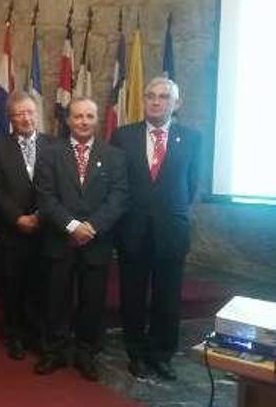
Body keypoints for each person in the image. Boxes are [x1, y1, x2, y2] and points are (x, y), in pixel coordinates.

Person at [111, 77, 201, 381]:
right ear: (143, 100)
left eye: (164, 97)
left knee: (168, 297)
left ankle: (162, 354)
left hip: (171, 231)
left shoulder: (191, 138)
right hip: (132, 230)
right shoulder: (123, 136)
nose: (156, 101)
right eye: (150, 96)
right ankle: (135, 352)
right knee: (132, 296)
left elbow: (191, 186)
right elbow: (116, 183)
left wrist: (170, 212)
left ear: (176, 103)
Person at [34, 97, 128, 381]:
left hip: (96, 242)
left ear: (97, 120)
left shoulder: (114, 156)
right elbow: (45, 197)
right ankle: (55, 351)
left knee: (92, 301)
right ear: (68, 120)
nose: (84, 121)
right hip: (60, 241)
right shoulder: (50, 153)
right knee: (56, 300)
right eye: (78, 116)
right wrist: (73, 225)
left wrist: (92, 226)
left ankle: (87, 352)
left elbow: (119, 197)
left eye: (89, 116)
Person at [0, 91, 54, 360]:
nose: (25, 118)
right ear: (10, 118)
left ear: (37, 114)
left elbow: (58, 186)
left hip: (45, 228)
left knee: (40, 285)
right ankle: (14, 335)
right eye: (19, 114)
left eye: (29, 112)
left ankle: (36, 335)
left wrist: (40, 215)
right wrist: (17, 217)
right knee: (13, 285)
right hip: (11, 229)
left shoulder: (53, 145)